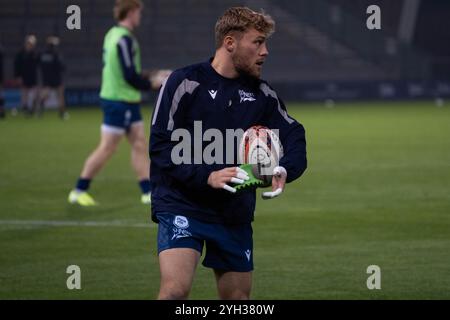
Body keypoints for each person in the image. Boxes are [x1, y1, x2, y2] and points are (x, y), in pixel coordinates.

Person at [150, 7, 307, 299]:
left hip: (233, 212)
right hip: (183, 203)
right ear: (230, 43)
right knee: (174, 291)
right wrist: (205, 176)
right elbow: (160, 146)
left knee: (237, 300)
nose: (265, 51)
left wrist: (285, 169)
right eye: (258, 42)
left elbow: (294, 133)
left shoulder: (262, 94)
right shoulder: (184, 83)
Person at [68, 0, 170, 206]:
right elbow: (130, 76)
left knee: (139, 144)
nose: (140, 17)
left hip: (125, 100)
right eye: (138, 12)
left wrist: (154, 75)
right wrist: (155, 83)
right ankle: (79, 190)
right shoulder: (124, 39)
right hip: (119, 101)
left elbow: (129, 72)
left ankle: (147, 192)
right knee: (107, 148)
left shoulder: (112, 35)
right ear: (131, 12)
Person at [38, 36, 69, 119]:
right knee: (60, 96)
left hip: (46, 78)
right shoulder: (56, 54)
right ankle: (62, 113)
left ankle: (40, 111)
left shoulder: (42, 55)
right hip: (56, 78)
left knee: (45, 95)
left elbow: (39, 65)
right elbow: (62, 66)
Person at [14, 35, 40, 116]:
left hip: (33, 77)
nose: (30, 45)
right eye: (29, 43)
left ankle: (33, 108)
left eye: (32, 44)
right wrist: (18, 76)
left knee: (36, 93)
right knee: (24, 93)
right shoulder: (20, 54)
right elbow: (17, 66)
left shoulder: (35, 54)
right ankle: (25, 109)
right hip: (24, 76)